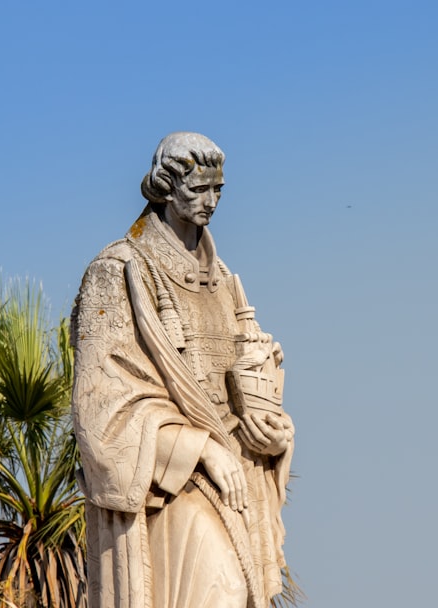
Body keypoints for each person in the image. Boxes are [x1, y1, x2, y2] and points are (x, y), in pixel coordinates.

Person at [70, 132, 294, 608]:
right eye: (199, 190)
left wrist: (273, 435)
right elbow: (103, 407)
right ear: (166, 187)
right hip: (172, 485)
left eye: (219, 190)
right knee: (221, 592)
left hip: (238, 478)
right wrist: (201, 449)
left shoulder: (227, 283)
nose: (211, 202)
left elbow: (250, 385)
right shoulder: (119, 270)